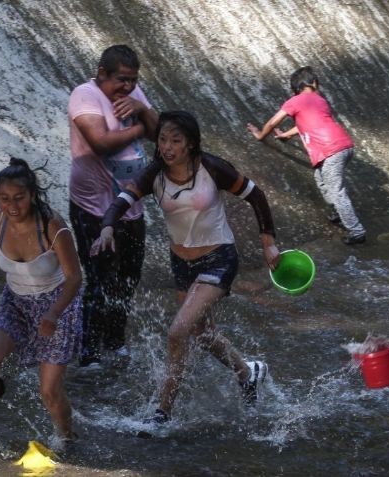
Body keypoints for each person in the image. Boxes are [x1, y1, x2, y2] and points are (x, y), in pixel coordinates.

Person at [93, 111, 279, 425]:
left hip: (219, 258)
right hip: (181, 264)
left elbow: (256, 195)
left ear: (190, 143)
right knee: (201, 333)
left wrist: (268, 242)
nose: (167, 147)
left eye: (175, 140)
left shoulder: (212, 168)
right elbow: (122, 200)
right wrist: (108, 227)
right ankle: (248, 373)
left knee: (177, 332)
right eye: (163, 139)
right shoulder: (154, 173)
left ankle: (162, 412)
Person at [0, 158, 83, 441]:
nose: (12, 206)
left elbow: (74, 278)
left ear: (32, 195)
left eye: (19, 198)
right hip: (16, 301)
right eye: (4, 199)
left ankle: (66, 439)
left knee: (49, 392)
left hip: (58, 305)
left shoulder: (53, 226)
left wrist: (53, 313)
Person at [68, 44, 159, 366]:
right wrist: (139, 126)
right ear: (102, 73)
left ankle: (115, 339)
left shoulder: (133, 94)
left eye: (133, 80)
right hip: (93, 206)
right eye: (121, 79)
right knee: (100, 277)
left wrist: (140, 107)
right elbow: (100, 142)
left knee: (129, 276)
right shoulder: (85, 95)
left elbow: (159, 130)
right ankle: (89, 349)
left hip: (129, 205)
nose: (128, 86)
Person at [246, 66, 367, 245]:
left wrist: (260, 135)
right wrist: (286, 135)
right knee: (321, 179)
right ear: (314, 83)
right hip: (341, 147)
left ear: (295, 88)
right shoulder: (320, 100)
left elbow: (273, 121)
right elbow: (310, 125)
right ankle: (339, 212)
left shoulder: (295, 101)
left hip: (330, 151)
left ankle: (357, 231)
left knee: (336, 190)